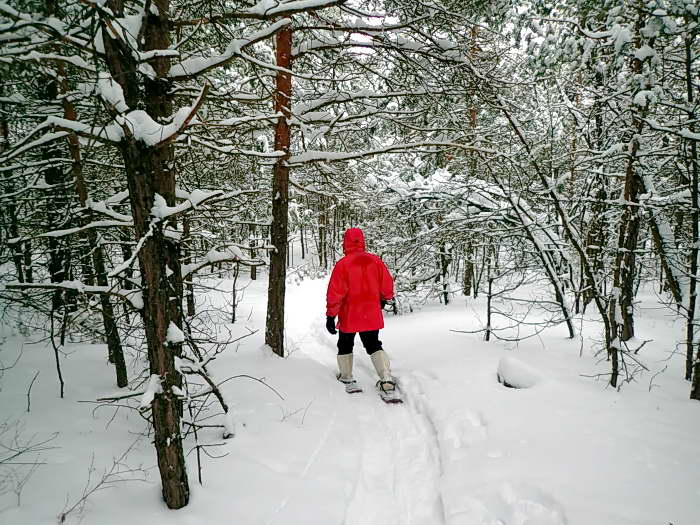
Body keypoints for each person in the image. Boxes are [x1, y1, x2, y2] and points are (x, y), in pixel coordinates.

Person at [325, 227, 399, 400]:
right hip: (371, 313)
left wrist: (330, 315)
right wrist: (384, 299)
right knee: (373, 344)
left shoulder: (343, 264)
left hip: (350, 314)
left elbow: (335, 292)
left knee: (345, 344)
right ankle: (386, 378)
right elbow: (387, 285)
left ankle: (347, 377)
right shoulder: (375, 261)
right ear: (362, 241)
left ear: (346, 243)